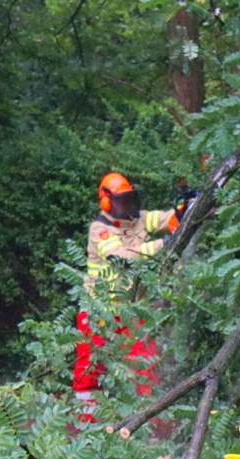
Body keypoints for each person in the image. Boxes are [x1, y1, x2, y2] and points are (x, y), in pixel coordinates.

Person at [73, 173, 183, 423]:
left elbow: (169, 218)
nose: (127, 205)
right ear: (107, 202)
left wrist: (188, 207)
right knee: (89, 371)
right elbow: (122, 257)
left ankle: (148, 425)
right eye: (121, 201)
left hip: (134, 311)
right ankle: (88, 426)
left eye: (129, 198)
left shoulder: (141, 219)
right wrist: (162, 245)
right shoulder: (99, 229)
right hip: (98, 311)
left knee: (146, 366)